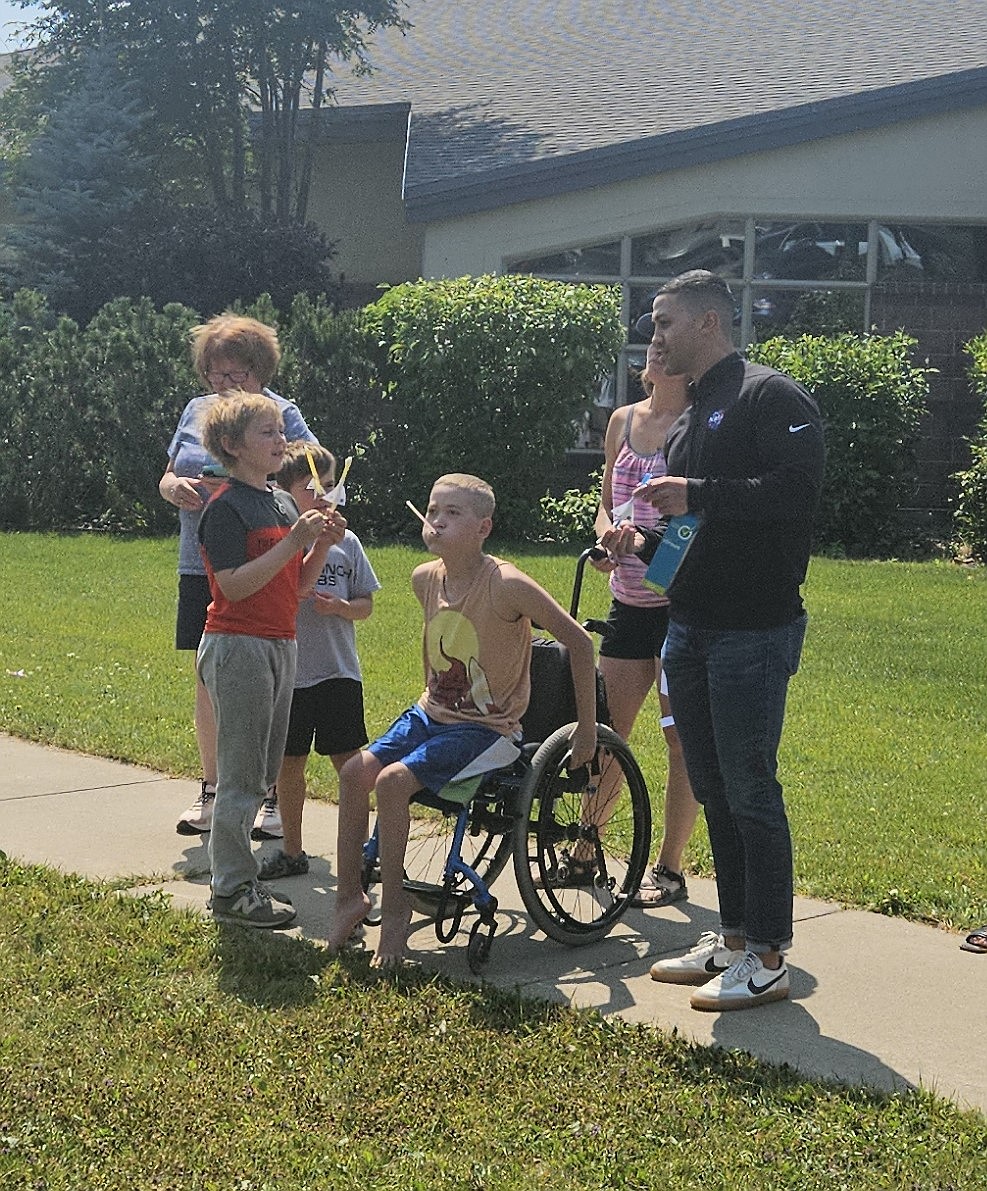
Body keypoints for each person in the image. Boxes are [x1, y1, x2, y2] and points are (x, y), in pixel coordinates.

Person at [603, 269, 824, 1011]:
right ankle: (730, 937)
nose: (653, 335)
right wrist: (642, 552)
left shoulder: (769, 395)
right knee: (715, 786)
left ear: (706, 322)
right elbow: (690, 531)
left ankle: (767, 953)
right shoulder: (694, 412)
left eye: (663, 321)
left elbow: (794, 492)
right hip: (688, 627)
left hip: (751, 631)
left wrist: (694, 494)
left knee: (751, 787)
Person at [327, 473, 598, 968]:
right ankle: (350, 896)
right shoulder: (424, 578)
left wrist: (585, 728)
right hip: (432, 714)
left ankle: (396, 917)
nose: (437, 519)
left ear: (483, 528)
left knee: (391, 783)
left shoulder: (507, 584)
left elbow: (579, 642)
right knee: (352, 773)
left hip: (490, 730)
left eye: (453, 513)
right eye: (434, 509)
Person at [159, 314, 317, 841]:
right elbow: (169, 470)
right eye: (215, 375)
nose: (223, 385)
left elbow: (312, 471)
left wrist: (299, 524)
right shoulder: (196, 411)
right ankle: (213, 788)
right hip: (200, 553)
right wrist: (172, 486)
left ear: (258, 370)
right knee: (211, 674)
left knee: (267, 675)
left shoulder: (280, 414)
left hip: (264, 557)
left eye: (235, 375)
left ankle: (267, 797)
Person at [196, 393, 345, 928]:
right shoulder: (225, 507)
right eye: (267, 433)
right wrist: (294, 543)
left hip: (281, 642)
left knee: (261, 774)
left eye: (280, 430)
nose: (281, 440)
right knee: (240, 775)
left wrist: (322, 545)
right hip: (239, 645)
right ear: (232, 446)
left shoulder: (281, 503)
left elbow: (299, 587)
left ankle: (241, 881)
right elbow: (233, 587)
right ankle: (231, 891)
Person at [591, 343, 700, 907]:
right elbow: (607, 503)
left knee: (679, 738)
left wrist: (652, 564)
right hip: (626, 602)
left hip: (678, 607)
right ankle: (587, 849)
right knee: (607, 729)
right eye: (651, 344)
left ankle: (669, 869)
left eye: (666, 344)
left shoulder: (698, 426)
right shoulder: (622, 420)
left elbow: (695, 521)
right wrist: (608, 541)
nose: (655, 352)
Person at [257, 441, 381, 881]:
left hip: (338, 671)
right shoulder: (283, 542)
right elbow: (286, 595)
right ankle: (292, 850)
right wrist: (316, 546)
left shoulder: (349, 542)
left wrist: (344, 609)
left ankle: (365, 854)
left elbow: (365, 602)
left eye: (330, 486)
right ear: (285, 493)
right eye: (313, 488)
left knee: (351, 765)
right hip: (293, 673)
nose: (325, 496)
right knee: (289, 765)